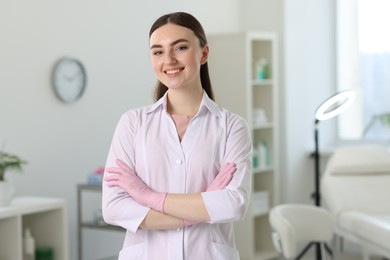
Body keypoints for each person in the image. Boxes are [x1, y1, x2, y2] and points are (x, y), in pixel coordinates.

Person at [102, 11, 252, 260]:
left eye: (180, 47)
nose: (168, 60)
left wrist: (146, 196)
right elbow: (114, 208)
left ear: (204, 53)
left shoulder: (232, 127)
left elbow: (233, 204)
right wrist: (200, 210)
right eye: (158, 51)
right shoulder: (133, 124)